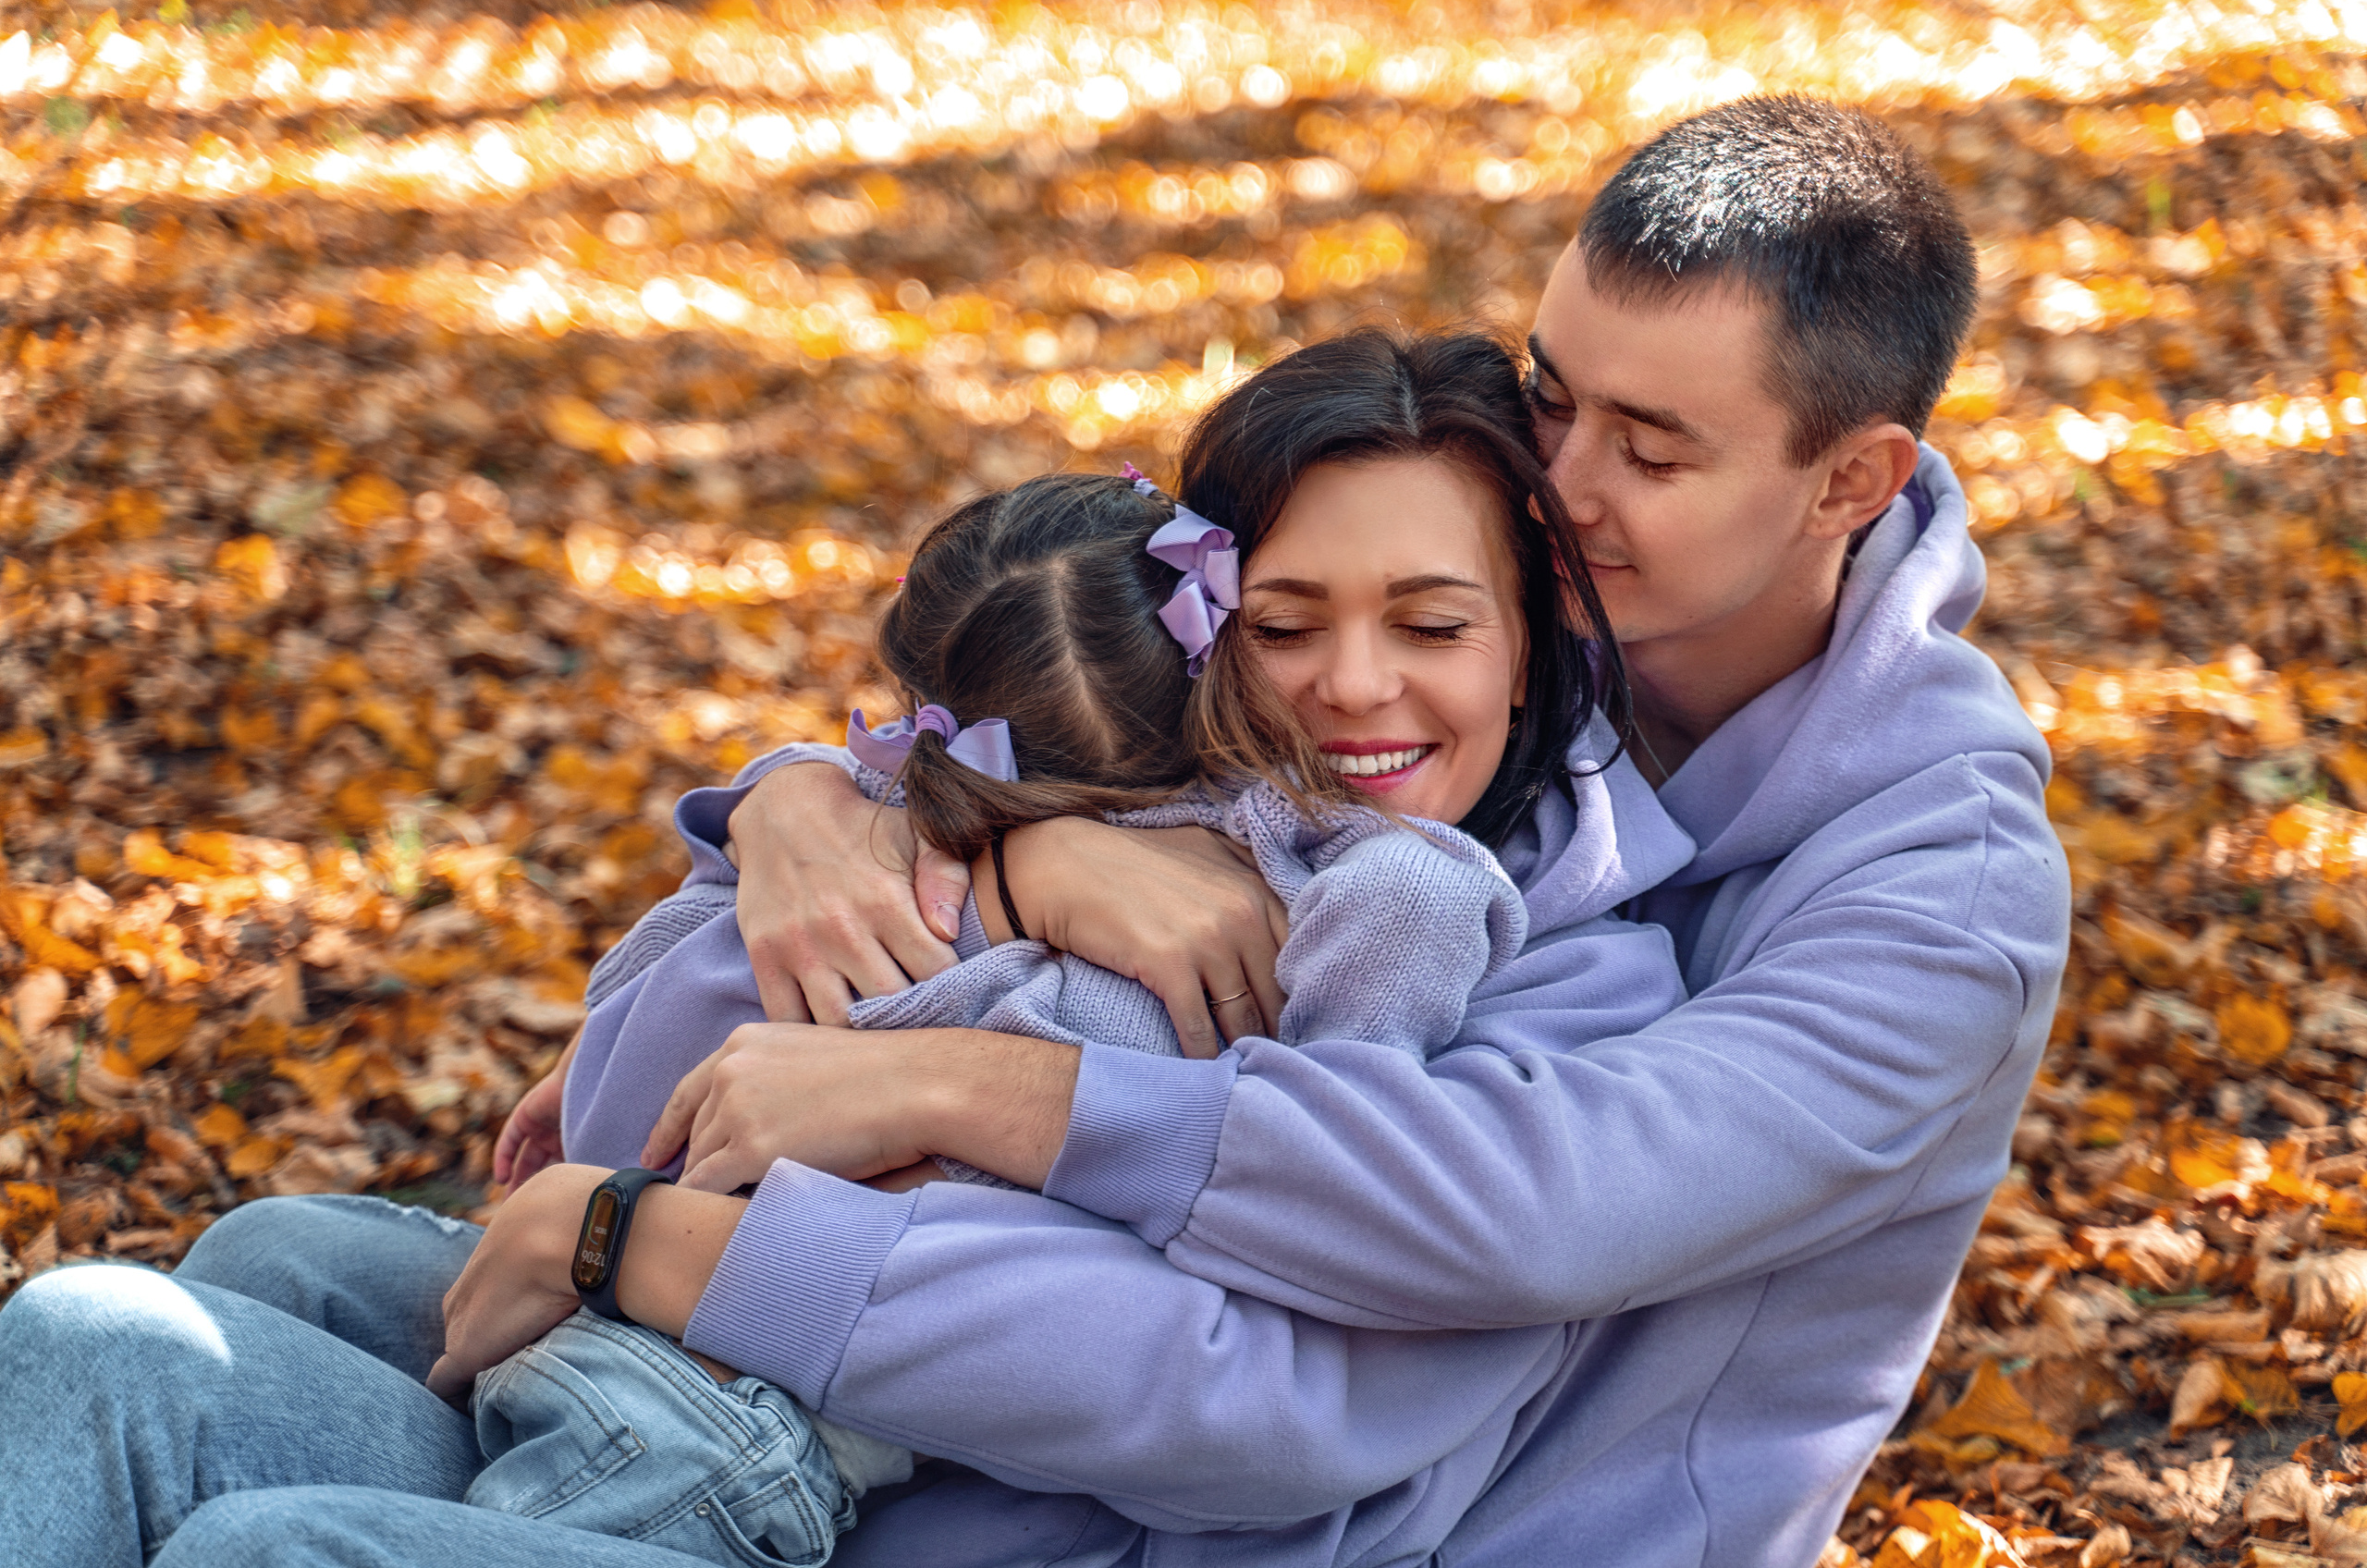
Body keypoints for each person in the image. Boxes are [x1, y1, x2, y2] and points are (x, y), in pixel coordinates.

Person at [0, 95, 2069, 1568]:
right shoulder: (1503, 668)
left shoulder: (1908, 895)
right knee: (96, 1342)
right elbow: (1055, 710)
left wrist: (855, 1139)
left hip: (1272, 1509)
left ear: (1846, 477)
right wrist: (884, 818)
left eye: (1648, 444)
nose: (1563, 476)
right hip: (899, 1452)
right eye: (1548, 398)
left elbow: (1486, 1234)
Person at [0, 329, 1691, 1567]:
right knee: (100, 1336)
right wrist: (884, 823)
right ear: (1199, 634)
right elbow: (957, 769)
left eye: (1434, 623)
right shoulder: (1137, 830)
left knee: (274, 1552)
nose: (1353, 687)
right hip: (718, 1394)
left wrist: (644, 1240)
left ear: (1532, 641)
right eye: (1284, 625)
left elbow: (1263, 1392)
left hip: (818, 1465)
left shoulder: (1553, 980)